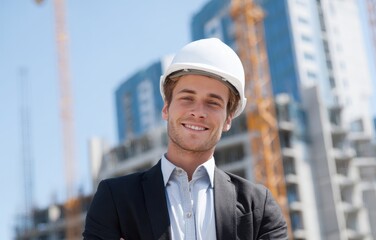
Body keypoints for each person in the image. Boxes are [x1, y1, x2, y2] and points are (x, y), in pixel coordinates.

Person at [83, 38, 288, 240]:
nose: (198, 112)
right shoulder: (115, 200)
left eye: (213, 103)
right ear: (166, 108)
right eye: (187, 98)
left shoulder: (259, 208)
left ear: (228, 119)